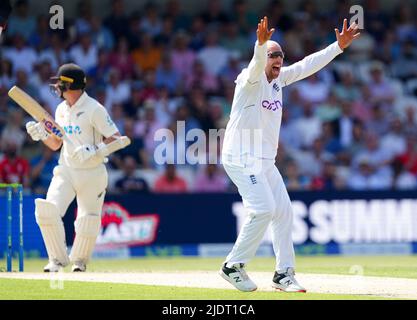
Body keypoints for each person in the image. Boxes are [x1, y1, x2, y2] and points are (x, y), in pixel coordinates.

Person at [220, 17, 359, 292]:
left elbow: (306, 65)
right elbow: (256, 64)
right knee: (264, 209)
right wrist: (261, 46)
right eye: (274, 55)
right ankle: (232, 266)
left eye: (281, 55)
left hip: (264, 161)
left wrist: (337, 47)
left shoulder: (278, 80)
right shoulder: (249, 80)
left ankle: (283, 274)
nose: (278, 60)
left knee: (283, 213)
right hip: (240, 156)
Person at [25, 63, 126, 272]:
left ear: (70, 85)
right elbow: (56, 143)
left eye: (60, 83)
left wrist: (95, 149)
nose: (57, 87)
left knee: (87, 220)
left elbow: (117, 138)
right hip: (66, 170)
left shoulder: (94, 109)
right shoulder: (61, 109)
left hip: (92, 172)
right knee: (47, 210)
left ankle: (79, 262)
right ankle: (57, 260)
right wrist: (42, 135)